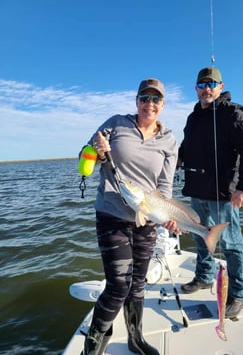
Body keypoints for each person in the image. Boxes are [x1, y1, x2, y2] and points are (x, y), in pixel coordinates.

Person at [80, 78, 178, 355]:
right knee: (118, 285)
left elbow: (165, 187)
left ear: (163, 105)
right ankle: (93, 344)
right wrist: (97, 153)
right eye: (144, 98)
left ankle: (135, 337)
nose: (150, 103)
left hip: (146, 218)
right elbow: (84, 158)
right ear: (136, 102)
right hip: (112, 213)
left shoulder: (169, 140)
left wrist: (168, 217)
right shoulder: (116, 123)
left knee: (137, 284)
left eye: (155, 99)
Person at [178, 67, 243, 318]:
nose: (206, 89)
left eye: (212, 84)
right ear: (196, 89)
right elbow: (185, 148)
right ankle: (203, 276)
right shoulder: (193, 118)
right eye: (202, 84)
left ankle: (239, 293)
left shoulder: (233, 114)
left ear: (221, 87)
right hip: (197, 190)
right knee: (200, 235)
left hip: (224, 193)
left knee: (231, 243)